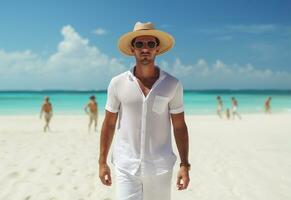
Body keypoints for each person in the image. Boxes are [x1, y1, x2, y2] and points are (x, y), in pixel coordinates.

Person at [98, 22, 190, 200]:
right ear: (132, 49)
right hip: (126, 166)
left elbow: (179, 127)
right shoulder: (117, 83)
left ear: (157, 49)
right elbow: (109, 124)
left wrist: (184, 165)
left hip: (160, 168)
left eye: (150, 44)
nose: (145, 48)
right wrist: (102, 162)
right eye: (139, 44)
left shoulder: (172, 84)